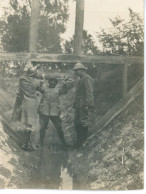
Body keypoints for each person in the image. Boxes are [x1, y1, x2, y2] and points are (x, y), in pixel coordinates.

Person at [38, 76, 74, 150]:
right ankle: (40, 143)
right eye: (51, 81)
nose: (53, 83)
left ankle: (64, 143)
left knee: (59, 127)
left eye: (55, 81)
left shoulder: (59, 90)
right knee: (42, 128)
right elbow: (38, 87)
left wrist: (65, 82)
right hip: (44, 111)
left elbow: (67, 88)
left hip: (54, 112)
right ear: (49, 82)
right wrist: (40, 80)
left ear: (57, 83)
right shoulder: (44, 89)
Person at [18, 67, 42, 151]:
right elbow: (41, 89)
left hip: (25, 104)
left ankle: (24, 144)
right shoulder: (36, 82)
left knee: (25, 124)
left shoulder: (22, 81)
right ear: (34, 74)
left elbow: (22, 76)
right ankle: (32, 145)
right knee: (33, 125)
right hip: (32, 104)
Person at [73, 62, 94, 148]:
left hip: (83, 104)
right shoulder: (81, 79)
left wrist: (87, 104)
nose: (75, 73)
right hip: (79, 104)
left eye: (76, 71)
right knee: (77, 122)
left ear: (81, 70)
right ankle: (78, 143)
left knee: (83, 122)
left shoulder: (86, 78)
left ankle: (83, 143)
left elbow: (89, 92)